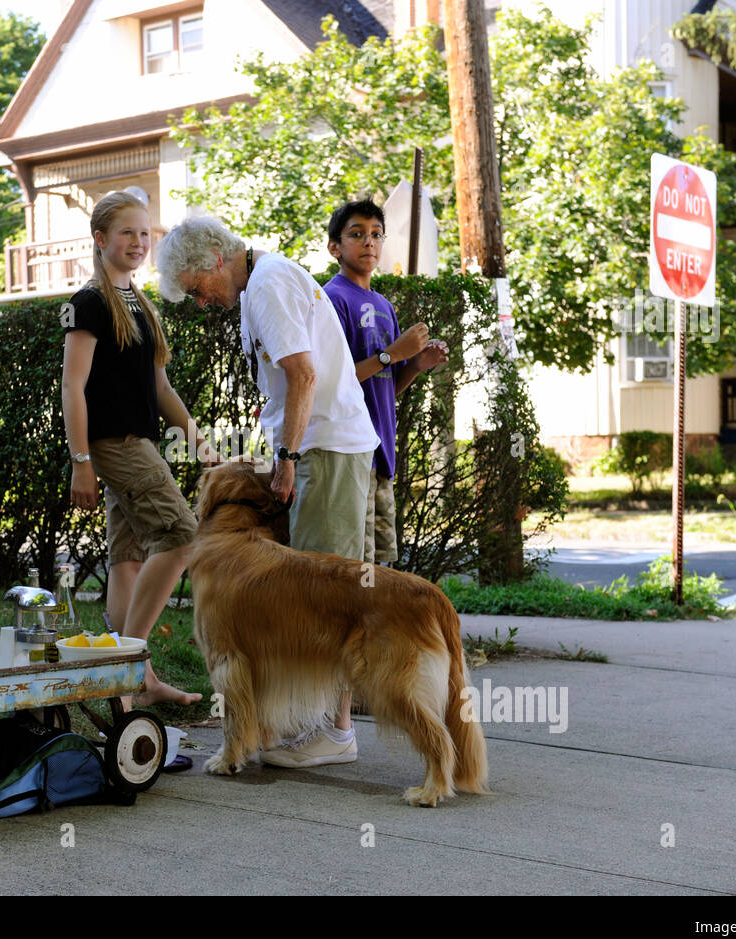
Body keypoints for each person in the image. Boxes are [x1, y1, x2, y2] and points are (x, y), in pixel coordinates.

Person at [155, 217, 377, 767]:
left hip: (324, 453)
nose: (200, 302)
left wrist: (287, 458)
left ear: (214, 261)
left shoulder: (270, 282)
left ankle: (335, 731)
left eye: (195, 289)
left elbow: (303, 375)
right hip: (320, 448)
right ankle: (293, 725)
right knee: (309, 591)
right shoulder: (260, 285)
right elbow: (290, 380)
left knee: (327, 595)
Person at [61, 191, 216, 709]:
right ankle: (124, 662)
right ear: (101, 239)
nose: (139, 241)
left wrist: (198, 440)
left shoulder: (140, 304)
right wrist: (81, 460)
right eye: (127, 232)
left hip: (141, 440)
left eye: (145, 233)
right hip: (115, 445)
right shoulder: (88, 302)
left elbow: (161, 388)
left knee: (127, 557)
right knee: (181, 534)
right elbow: (73, 387)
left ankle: (137, 686)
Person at [324, 199, 448, 566]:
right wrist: (393, 353)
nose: (369, 243)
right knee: (354, 560)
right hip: (349, 451)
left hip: (382, 451)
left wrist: (417, 363)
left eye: (376, 234)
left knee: (381, 561)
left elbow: (386, 387)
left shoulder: (384, 305)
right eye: (357, 234)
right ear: (335, 247)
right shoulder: (332, 299)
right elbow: (334, 380)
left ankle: (376, 626)